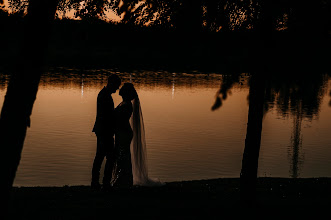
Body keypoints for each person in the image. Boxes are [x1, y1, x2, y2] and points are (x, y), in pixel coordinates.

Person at [111, 83, 164, 187]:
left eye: (122, 89)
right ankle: (121, 179)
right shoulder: (124, 103)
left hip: (124, 133)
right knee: (122, 156)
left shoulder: (127, 105)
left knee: (123, 156)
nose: (120, 90)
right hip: (122, 132)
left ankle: (124, 180)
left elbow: (121, 120)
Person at [91, 74, 121, 190]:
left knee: (102, 156)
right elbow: (106, 116)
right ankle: (104, 182)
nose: (117, 89)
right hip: (104, 131)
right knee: (108, 157)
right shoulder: (104, 96)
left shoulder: (104, 94)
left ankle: (98, 182)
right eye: (116, 86)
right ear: (111, 83)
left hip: (102, 130)